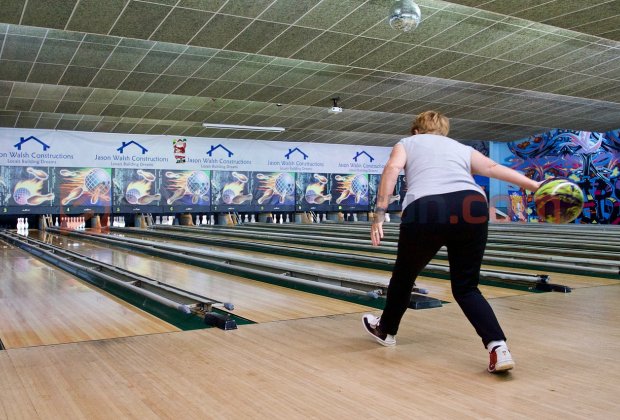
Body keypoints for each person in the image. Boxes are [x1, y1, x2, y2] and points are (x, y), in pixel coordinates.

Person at [363, 110, 541, 373]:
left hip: (426, 207)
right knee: (466, 287)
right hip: (472, 204)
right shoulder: (461, 148)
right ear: (444, 132)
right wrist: (535, 186)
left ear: (416, 130)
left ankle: (386, 330)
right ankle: (498, 347)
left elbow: (392, 169)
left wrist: (379, 214)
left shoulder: (407, 143)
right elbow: (493, 168)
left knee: (404, 276)